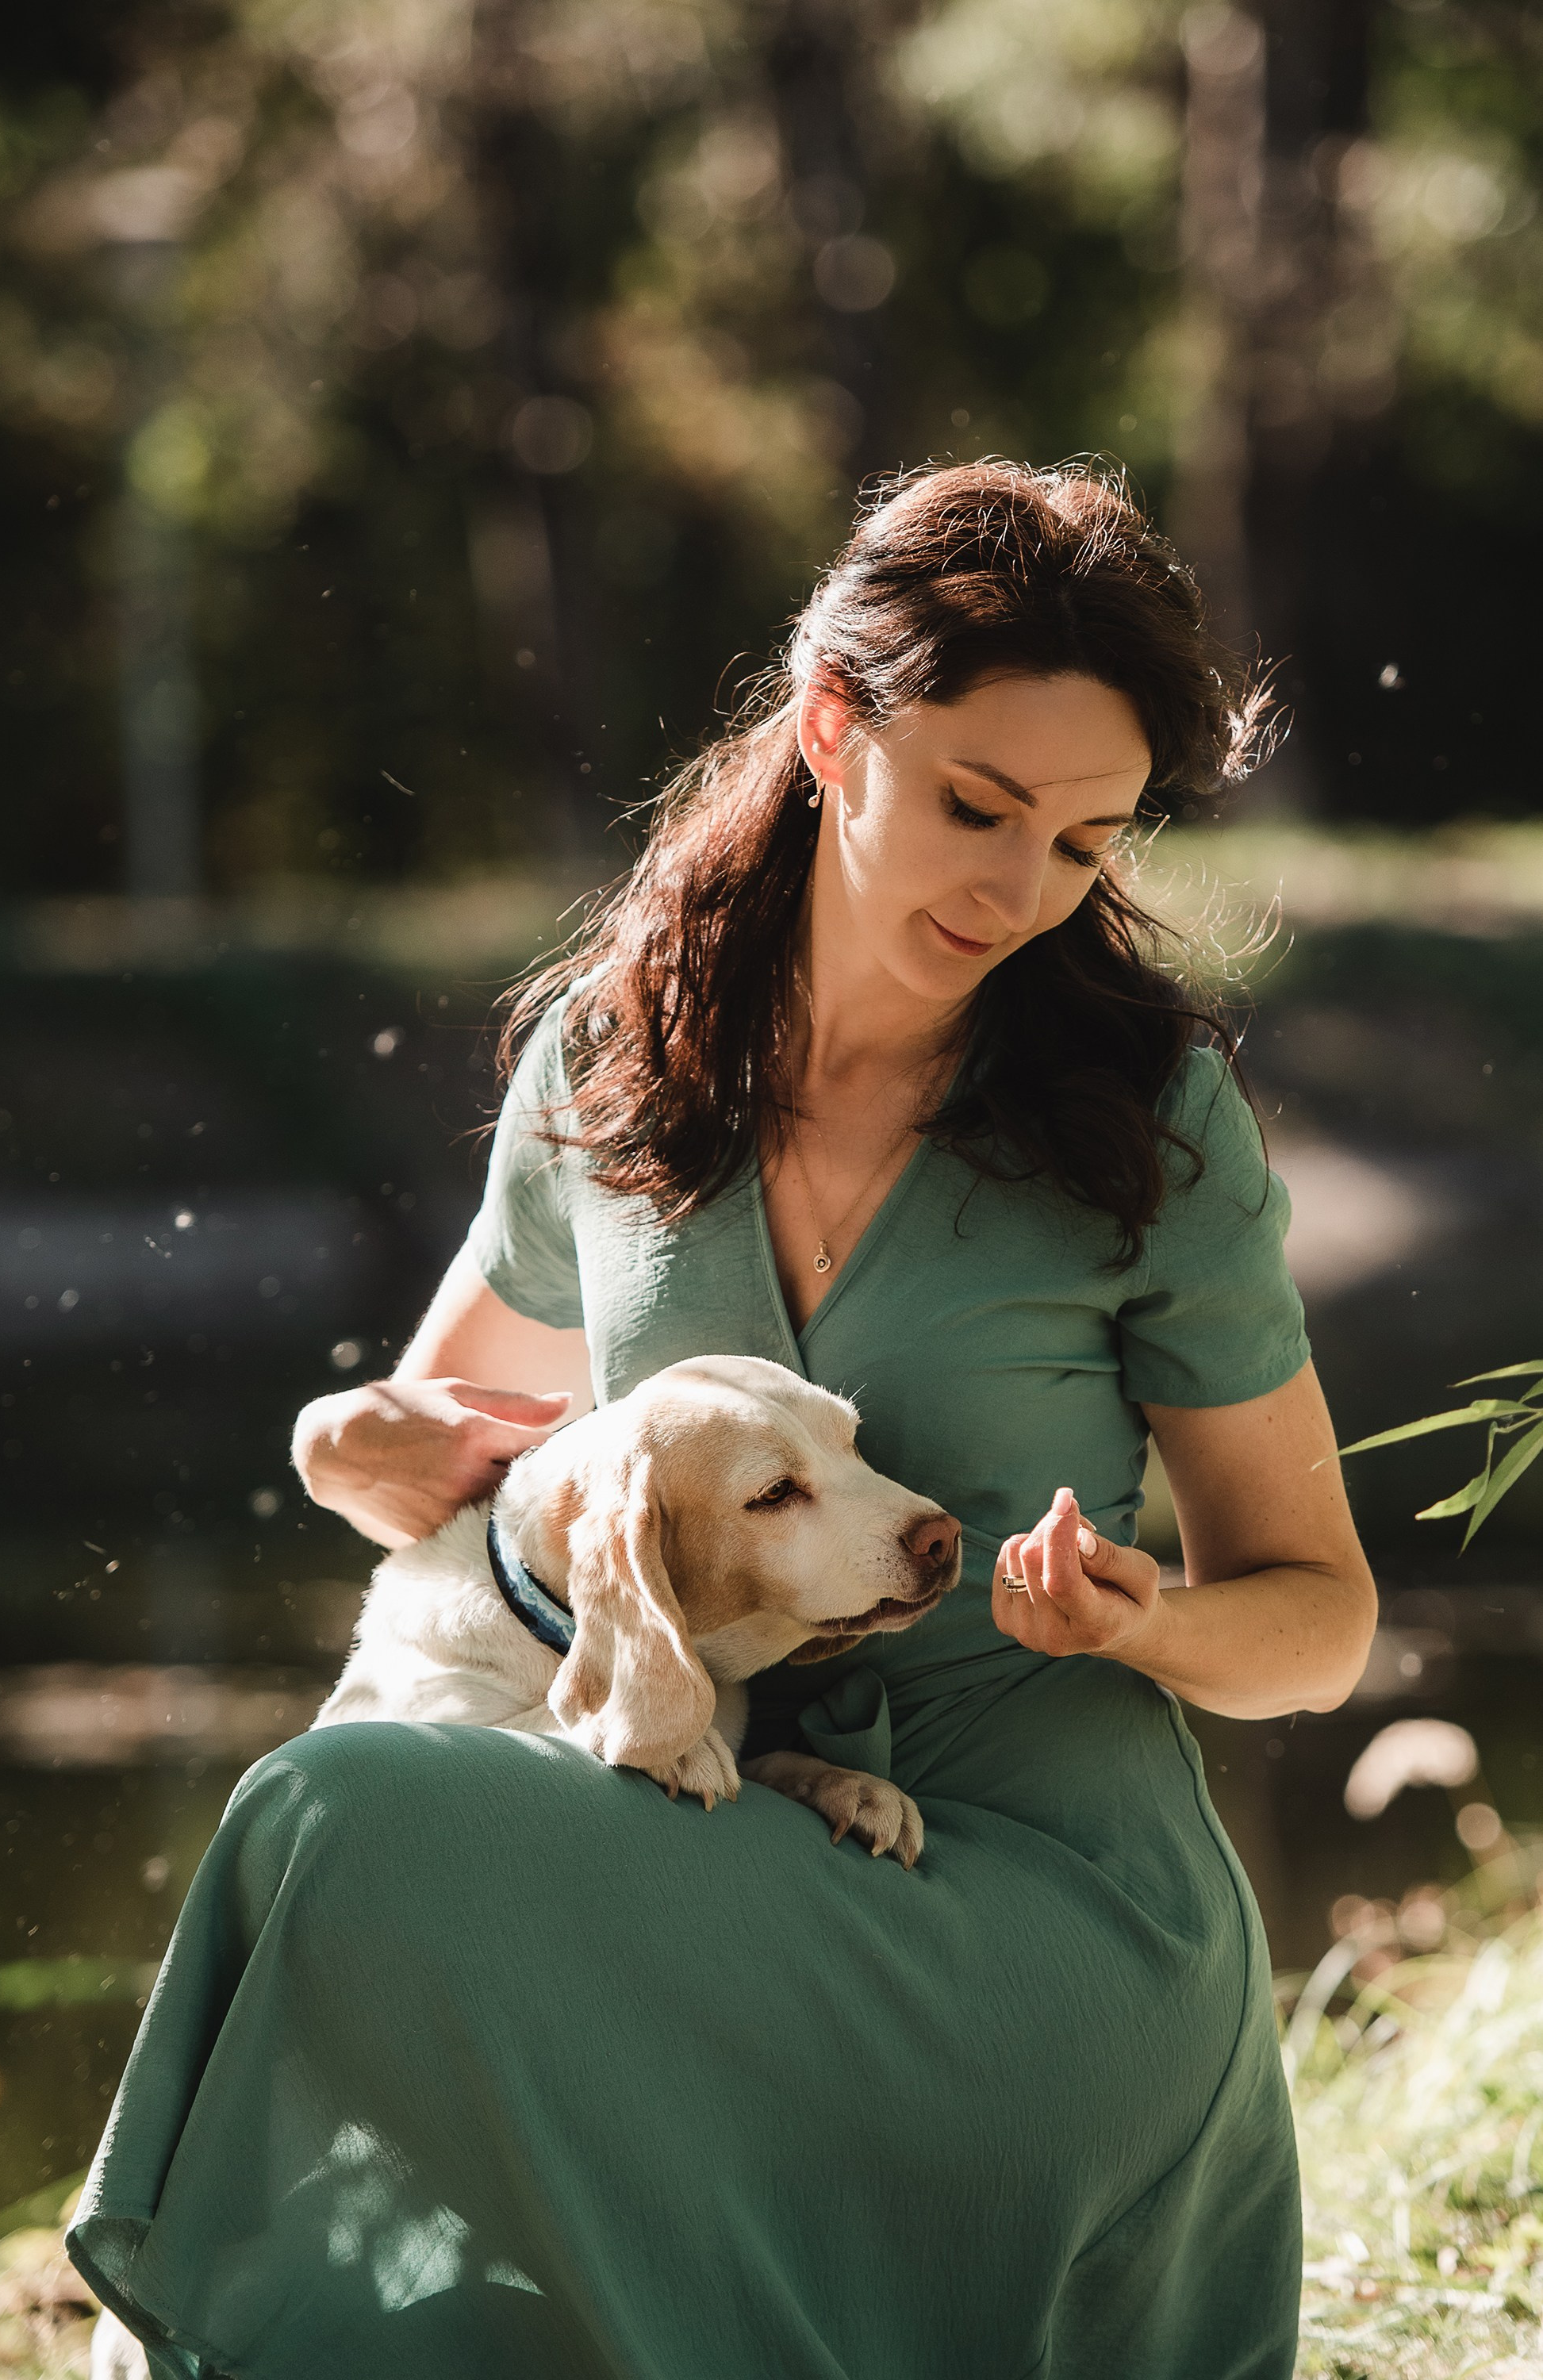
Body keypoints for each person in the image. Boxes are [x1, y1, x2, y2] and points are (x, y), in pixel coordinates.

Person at [68, 460, 1377, 2380]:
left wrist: (1153, 1620)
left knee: (344, 1814)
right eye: (978, 807)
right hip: (700, 1843)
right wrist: (344, 1445)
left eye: (1089, 844)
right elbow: (464, 1462)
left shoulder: (1148, 1123)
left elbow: (1321, 1618)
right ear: (837, 726)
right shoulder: (611, 1058)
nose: (1020, 892)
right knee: (346, 1812)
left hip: (1040, 1925)